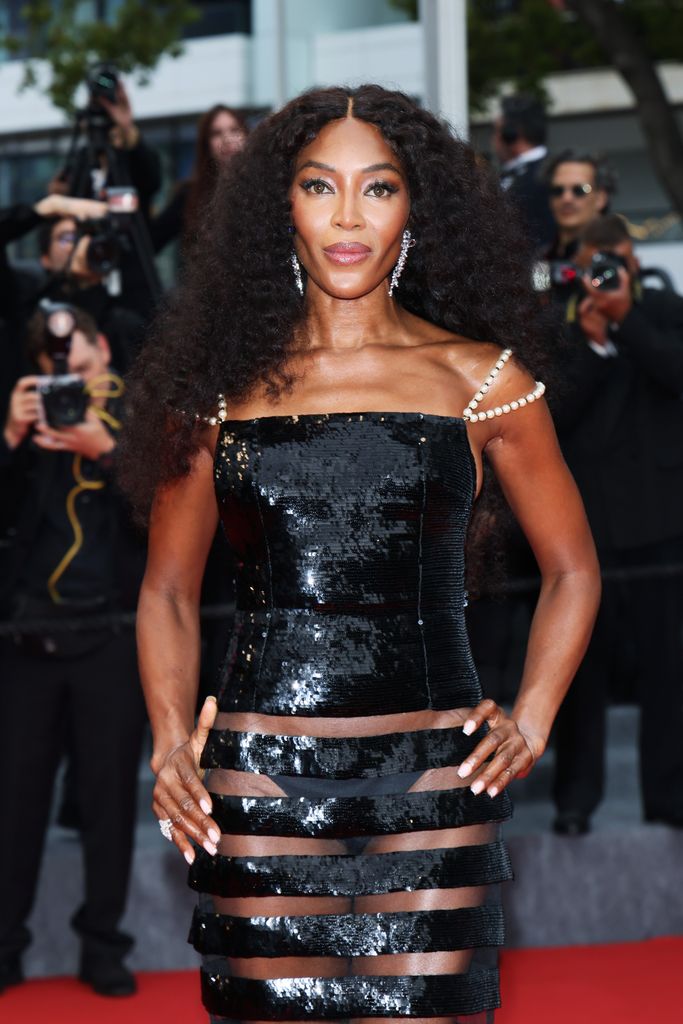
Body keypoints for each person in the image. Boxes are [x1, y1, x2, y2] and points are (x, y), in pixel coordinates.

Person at [119, 85, 600, 1023]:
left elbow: (574, 568)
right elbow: (168, 593)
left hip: (435, 773)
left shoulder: (483, 380)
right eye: (318, 186)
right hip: (256, 771)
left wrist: (534, 719)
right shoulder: (217, 393)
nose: (347, 216)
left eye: (377, 188)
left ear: (415, 208)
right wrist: (170, 741)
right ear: (279, 209)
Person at [0, 306, 146, 996]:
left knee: (108, 802)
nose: (71, 388)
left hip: (109, 637)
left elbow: (167, 517)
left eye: (82, 368)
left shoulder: (140, 420)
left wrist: (105, 452)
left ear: (106, 352)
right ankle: (4, 946)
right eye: (59, 374)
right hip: (25, 639)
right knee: (13, 805)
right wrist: (11, 438)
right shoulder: (22, 424)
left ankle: (103, 945)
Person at [551, 213, 683, 835]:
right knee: (581, 673)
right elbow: (553, 416)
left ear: (634, 261)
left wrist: (628, 321)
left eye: (618, 264)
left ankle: (670, 796)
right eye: (595, 266)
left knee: (670, 667)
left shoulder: (663, 311)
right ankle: (576, 800)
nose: (606, 278)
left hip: (661, 523)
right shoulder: (563, 328)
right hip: (588, 529)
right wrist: (596, 342)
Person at [150, 104, 248, 256]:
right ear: (206, 144)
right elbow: (151, 242)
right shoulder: (189, 196)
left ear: (247, 136)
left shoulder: (265, 188)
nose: (227, 139)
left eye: (235, 130)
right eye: (216, 133)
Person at [493, 93, 555, 249]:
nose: (493, 139)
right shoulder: (511, 173)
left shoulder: (551, 172)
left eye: (496, 131)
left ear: (511, 134)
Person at [543, 149, 616, 265]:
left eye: (579, 190)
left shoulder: (615, 253)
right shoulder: (540, 261)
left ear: (600, 198)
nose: (566, 198)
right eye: (557, 191)